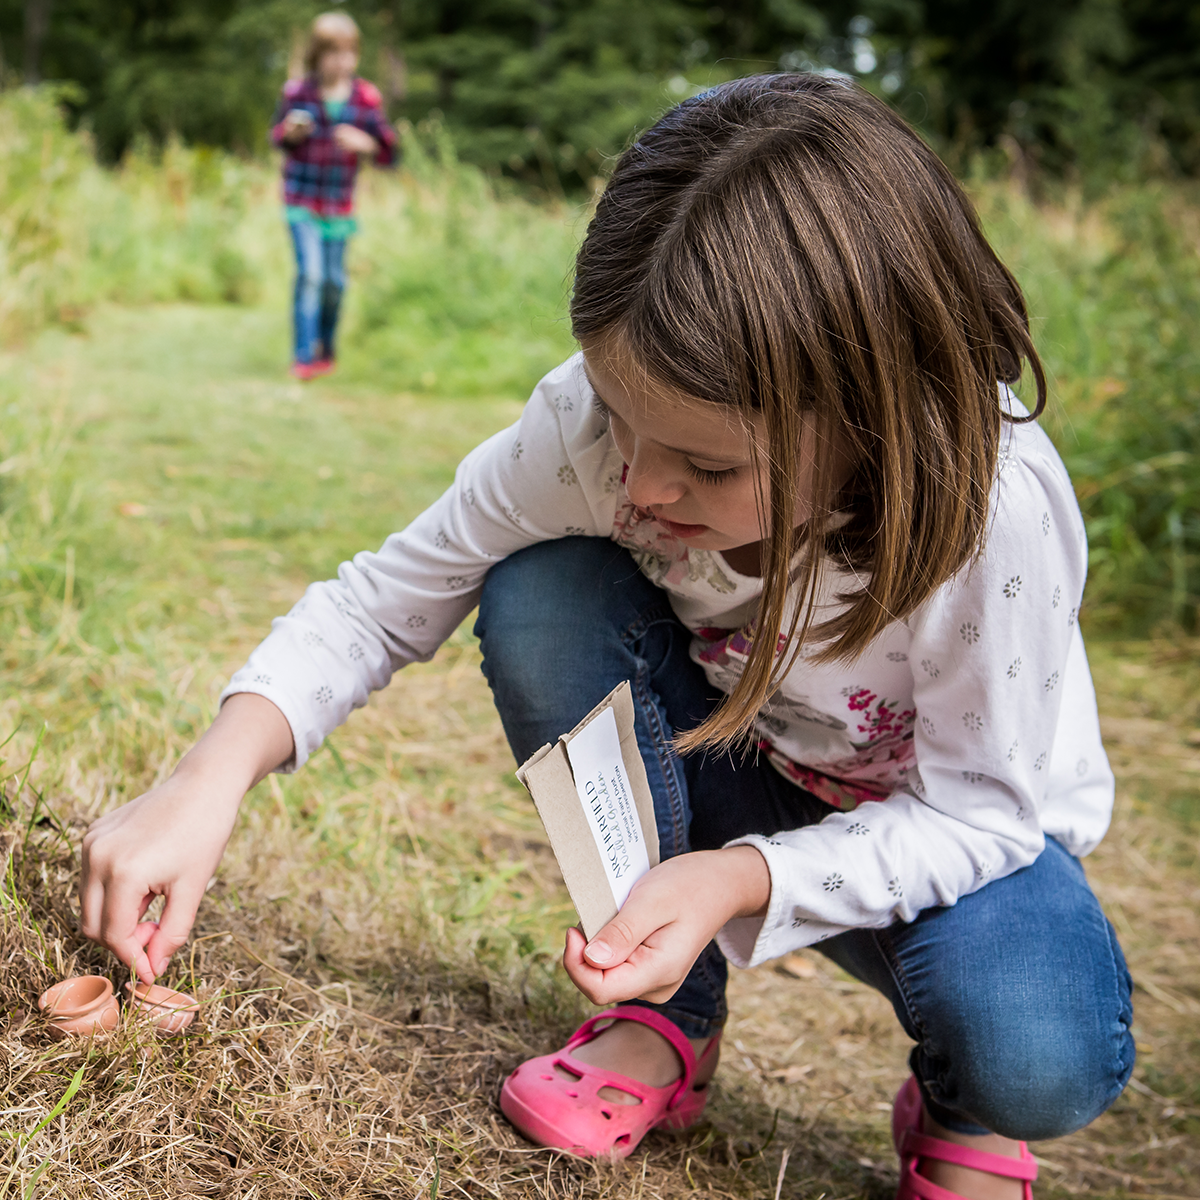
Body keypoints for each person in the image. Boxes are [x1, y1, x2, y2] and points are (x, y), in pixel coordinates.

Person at [80, 76, 1133, 1200]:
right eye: (621, 419)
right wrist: (209, 776)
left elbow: (979, 815)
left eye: (709, 465)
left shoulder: (992, 511)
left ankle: (964, 1107)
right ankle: (663, 1016)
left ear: (871, 412)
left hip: (951, 839)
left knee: (1037, 1052)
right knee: (541, 591)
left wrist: (739, 878)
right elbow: (385, 598)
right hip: (732, 767)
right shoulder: (590, 433)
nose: (639, 483)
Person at [271, 12, 397, 380]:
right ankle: (302, 357)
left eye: (348, 53)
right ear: (317, 55)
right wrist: (290, 134)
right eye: (332, 53)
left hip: (340, 206)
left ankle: (326, 350)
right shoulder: (296, 92)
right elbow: (277, 139)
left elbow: (390, 154)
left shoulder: (365, 97)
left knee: (333, 283)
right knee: (309, 275)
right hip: (300, 200)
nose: (341, 61)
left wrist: (365, 143)